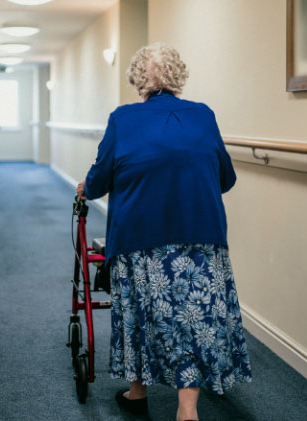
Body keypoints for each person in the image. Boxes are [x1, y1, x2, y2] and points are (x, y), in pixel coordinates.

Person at [76, 42, 251, 421]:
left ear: (139, 80)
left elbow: (101, 176)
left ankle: (137, 390)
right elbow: (226, 177)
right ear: (178, 76)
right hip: (201, 233)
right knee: (195, 317)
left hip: (140, 236)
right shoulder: (203, 116)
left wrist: (86, 189)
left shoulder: (123, 120)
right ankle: (187, 409)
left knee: (141, 310)